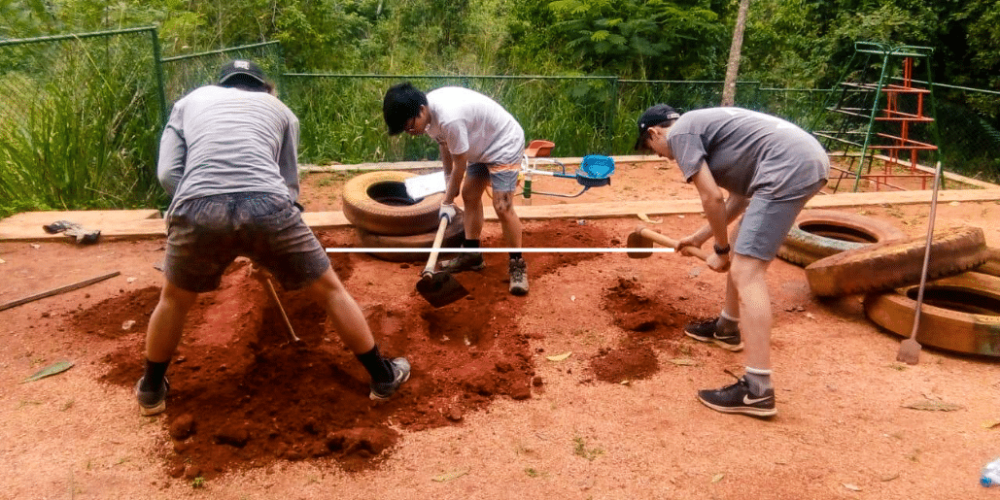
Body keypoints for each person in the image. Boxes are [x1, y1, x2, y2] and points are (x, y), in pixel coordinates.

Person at [136, 60, 410, 416]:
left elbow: (168, 172)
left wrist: (201, 202)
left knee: (173, 300)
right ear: (264, 87)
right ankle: (383, 377)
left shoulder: (190, 102)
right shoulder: (279, 109)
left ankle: (151, 391)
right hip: (267, 203)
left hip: (198, 205)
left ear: (222, 84)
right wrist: (267, 241)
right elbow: (288, 183)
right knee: (330, 290)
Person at [634, 104, 829, 417]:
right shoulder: (708, 131)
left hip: (787, 165)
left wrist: (721, 251)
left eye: (653, 149)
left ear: (654, 133)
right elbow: (740, 197)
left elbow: (712, 197)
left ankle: (758, 389)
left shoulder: (682, 134)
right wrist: (699, 239)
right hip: (800, 159)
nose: (663, 157)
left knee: (747, 271)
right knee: (742, 249)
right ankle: (727, 327)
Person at [382, 82, 529, 296]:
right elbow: (446, 147)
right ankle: (472, 255)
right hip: (477, 146)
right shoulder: (428, 116)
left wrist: (448, 199)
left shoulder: (449, 117)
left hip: (503, 144)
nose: (411, 132)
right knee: (470, 194)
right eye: (406, 130)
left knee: (502, 206)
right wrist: (447, 182)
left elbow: (460, 163)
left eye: (410, 126)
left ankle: (518, 265)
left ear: (421, 110)